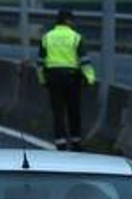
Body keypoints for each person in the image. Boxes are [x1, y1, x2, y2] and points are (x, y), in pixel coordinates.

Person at [38, 9, 96, 150]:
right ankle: (76, 141)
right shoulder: (76, 37)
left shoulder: (47, 37)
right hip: (72, 77)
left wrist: (42, 79)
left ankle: (60, 142)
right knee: (74, 110)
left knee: (58, 111)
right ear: (69, 21)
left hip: (53, 77)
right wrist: (90, 78)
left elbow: (40, 62)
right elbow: (84, 61)